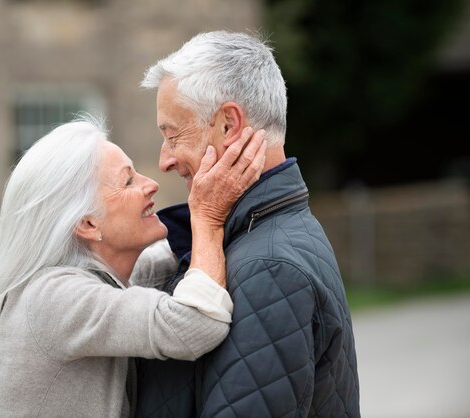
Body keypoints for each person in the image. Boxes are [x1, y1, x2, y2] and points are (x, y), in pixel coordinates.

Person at [0, 114, 266, 417]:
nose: (151, 184)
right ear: (88, 223)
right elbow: (196, 325)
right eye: (128, 180)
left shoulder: (87, 284)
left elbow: (159, 264)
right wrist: (208, 216)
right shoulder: (54, 297)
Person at [135, 31, 360, 417]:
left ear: (228, 125)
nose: (165, 161)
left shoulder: (268, 267)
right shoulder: (259, 236)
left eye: (173, 135)